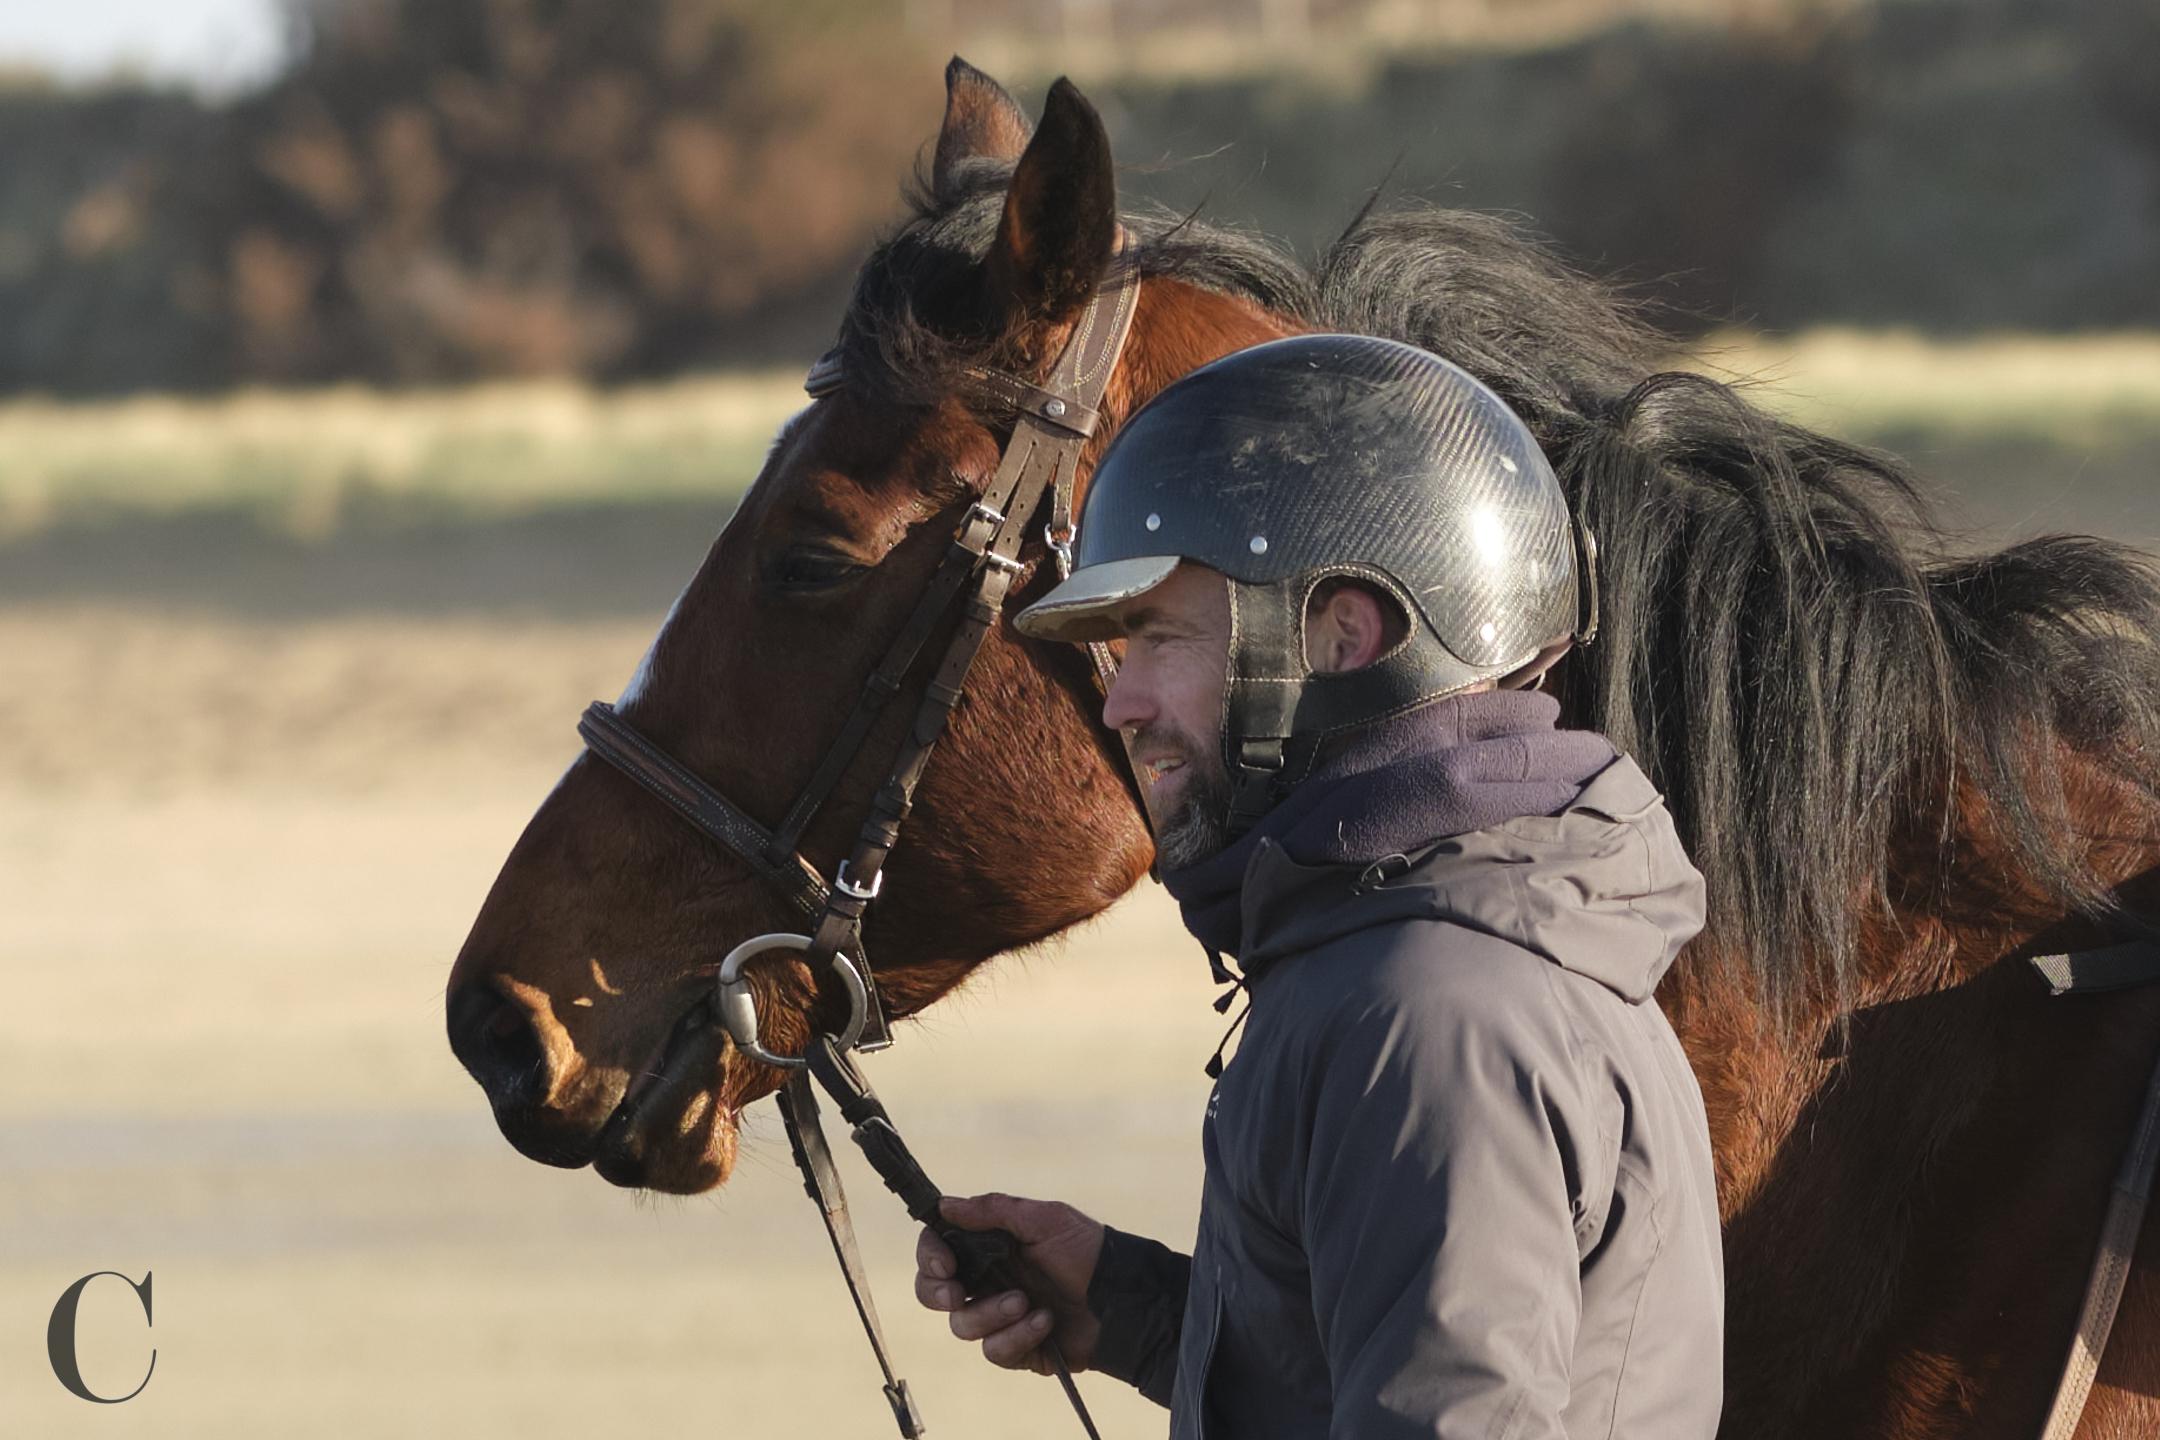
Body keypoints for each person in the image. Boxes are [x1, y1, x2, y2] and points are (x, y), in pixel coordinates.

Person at [914, 334, 1724, 1438]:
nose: (1122, 703)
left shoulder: (1436, 1017)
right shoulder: (1433, 952)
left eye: (1161, 638)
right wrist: (1138, 1311)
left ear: (1345, 636)